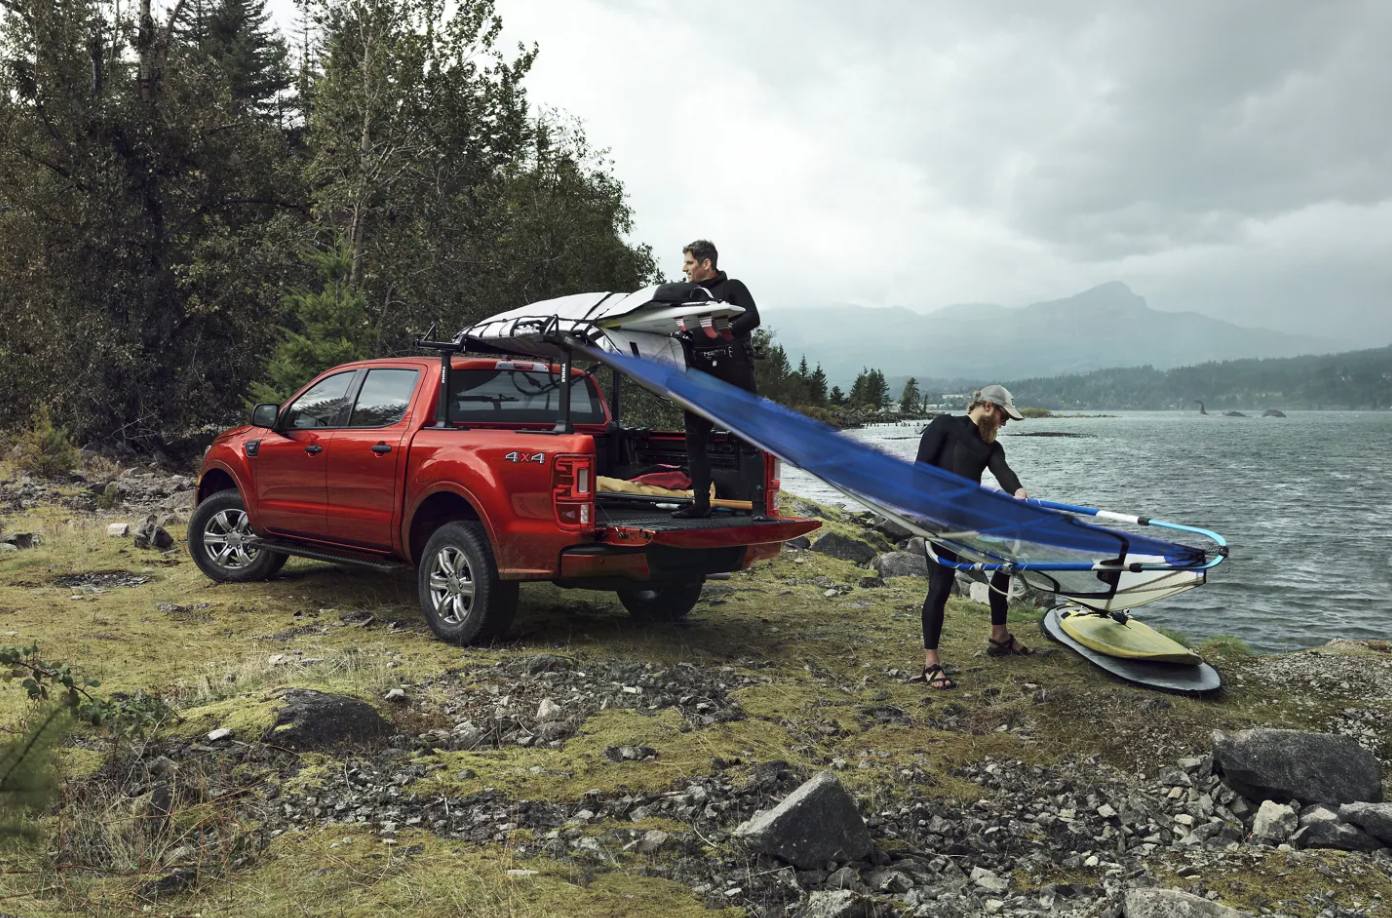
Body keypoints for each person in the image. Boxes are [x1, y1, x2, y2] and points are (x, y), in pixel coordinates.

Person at [914, 385, 1038, 689]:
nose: (1005, 422)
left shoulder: (991, 447)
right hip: (939, 520)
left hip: (969, 521)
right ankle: (931, 663)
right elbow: (919, 471)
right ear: (986, 406)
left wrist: (1018, 492)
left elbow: (1004, 472)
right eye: (1003, 415)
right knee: (941, 585)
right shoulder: (944, 425)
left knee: (1005, 560)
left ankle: (1000, 638)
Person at [672, 239, 762, 519]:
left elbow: (753, 317)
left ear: (705, 263)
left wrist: (725, 330)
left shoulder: (731, 287)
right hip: (699, 375)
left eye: (689, 262)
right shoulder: (686, 294)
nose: (684, 268)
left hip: (733, 372)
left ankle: (759, 508)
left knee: (747, 439)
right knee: (694, 440)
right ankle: (701, 504)